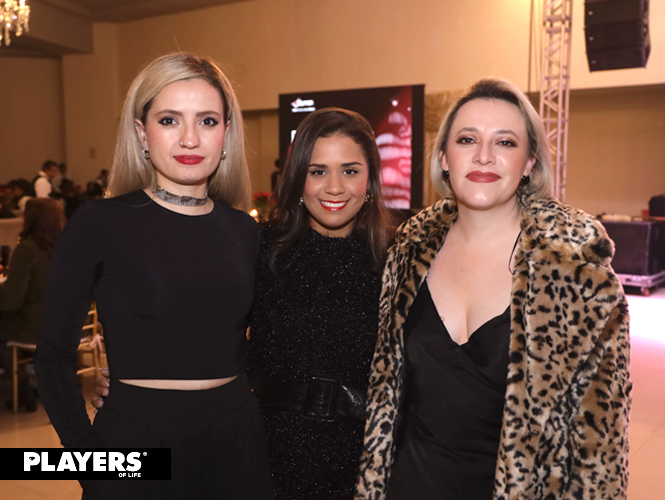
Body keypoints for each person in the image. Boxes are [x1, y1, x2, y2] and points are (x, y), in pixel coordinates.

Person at [355, 78, 632, 500]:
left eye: (505, 142)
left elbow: (601, 452)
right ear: (444, 158)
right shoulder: (407, 253)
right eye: (467, 139)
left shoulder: (578, 276)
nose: (483, 155)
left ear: (529, 162)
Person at [35, 53, 273, 500]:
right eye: (169, 120)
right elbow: (51, 360)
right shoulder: (100, 223)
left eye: (207, 121)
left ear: (226, 133)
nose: (189, 138)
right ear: (142, 133)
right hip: (136, 443)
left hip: (237, 444)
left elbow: (259, 346)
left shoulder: (246, 232)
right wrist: (92, 466)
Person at [247, 107, 394, 499]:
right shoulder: (261, 249)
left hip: (363, 464)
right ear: (298, 178)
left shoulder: (396, 259)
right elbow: (209, 332)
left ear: (370, 180)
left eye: (350, 171)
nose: (334, 187)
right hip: (268, 456)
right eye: (318, 171)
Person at [0, 198, 64, 411]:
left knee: (3, 331)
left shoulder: (27, 250)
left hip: (38, 327)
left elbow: (11, 301)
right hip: (69, 325)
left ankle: (22, 385)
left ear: (31, 220)